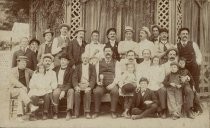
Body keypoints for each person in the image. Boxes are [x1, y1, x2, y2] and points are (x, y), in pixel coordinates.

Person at [9, 56, 38, 122]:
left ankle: (19, 116)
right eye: (22, 62)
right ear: (18, 62)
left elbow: (37, 73)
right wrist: (22, 86)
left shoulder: (28, 70)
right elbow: (14, 81)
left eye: (25, 62)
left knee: (20, 97)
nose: (24, 64)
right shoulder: (12, 70)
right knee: (21, 91)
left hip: (24, 92)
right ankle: (30, 105)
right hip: (13, 90)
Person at [93, 46, 119, 118]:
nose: (108, 53)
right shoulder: (99, 62)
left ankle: (113, 111)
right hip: (102, 84)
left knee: (115, 91)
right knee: (97, 91)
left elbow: (118, 75)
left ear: (112, 52)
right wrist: (97, 81)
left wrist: (113, 84)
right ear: (104, 53)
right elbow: (96, 73)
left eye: (109, 51)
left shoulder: (116, 62)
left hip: (112, 83)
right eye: (106, 51)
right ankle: (97, 111)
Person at [176, 28, 202, 92]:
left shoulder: (193, 44)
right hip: (183, 68)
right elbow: (176, 57)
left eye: (186, 34)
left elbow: (199, 55)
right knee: (183, 83)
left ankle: (195, 100)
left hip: (193, 67)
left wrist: (197, 63)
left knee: (195, 83)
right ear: (179, 35)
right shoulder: (176, 45)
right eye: (183, 34)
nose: (185, 35)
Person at [72, 53, 96, 119]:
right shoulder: (78, 67)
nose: (85, 59)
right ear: (81, 59)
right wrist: (76, 86)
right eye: (84, 58)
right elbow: (74, 78)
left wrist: (90, 87)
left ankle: (87, 112)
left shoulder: (92, 67)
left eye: (86, 58)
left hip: (87, 84)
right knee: (76, 93)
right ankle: (76, 113)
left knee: (88, 93)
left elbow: (93, 78)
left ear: (88, 59)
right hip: (80, 84)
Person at [52, 53, 74, 120]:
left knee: (71, 91)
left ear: (68, 61)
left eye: (64, 60)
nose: (63, 61)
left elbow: (70, 83)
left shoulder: (71, 70)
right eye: (61, 59)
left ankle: (69, 112)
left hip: (67, 86)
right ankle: (55, 112)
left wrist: (64, 91)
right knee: (55, 93)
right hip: (57, 86)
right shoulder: (55, 69)